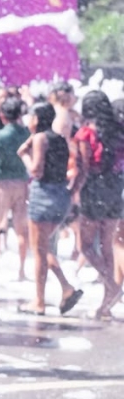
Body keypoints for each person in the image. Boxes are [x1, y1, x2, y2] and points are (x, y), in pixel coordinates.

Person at [17, 103, 82, 316]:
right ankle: (65, 289)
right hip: (61, 196)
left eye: (31, 116)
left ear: (38, 118)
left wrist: (24, 156)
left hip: (43, 195)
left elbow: (36, 170)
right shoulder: (60, 139)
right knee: (43, 248)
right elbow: (77, 167)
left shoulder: (40, 139)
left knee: (39, 251)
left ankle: (41, 300)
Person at [73, 90, 124, 319]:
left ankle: (111, 284)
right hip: (115, 190)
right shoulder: (118, 132)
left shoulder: (86, 134)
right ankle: (106, 306)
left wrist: (73, 191)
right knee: (106, 246)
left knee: (85, 246)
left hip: (93, 190)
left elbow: (85, 167)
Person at [0, 97, 30, 280]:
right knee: (21, 228)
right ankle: (21, 269)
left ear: (2, 116)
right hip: (21, 182)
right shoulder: (26, 133)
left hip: (2, 182)